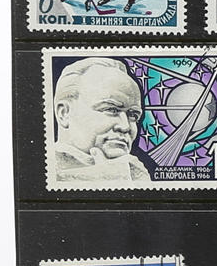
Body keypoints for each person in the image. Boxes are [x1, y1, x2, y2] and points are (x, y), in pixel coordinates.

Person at [51, 57, 148, 185]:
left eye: (133, 115)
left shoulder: (137, 173)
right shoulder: (43, 171)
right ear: (64, 113)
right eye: (111, 109)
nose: (125, 126)